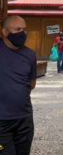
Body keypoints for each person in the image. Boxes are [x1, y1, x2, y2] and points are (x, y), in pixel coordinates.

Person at [0, 15, 37, 155]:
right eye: (17, 29)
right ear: (5, 32)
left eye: (24, 29)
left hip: (24, 119)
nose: (22, 33)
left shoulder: (30, 55)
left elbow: (32, 84)